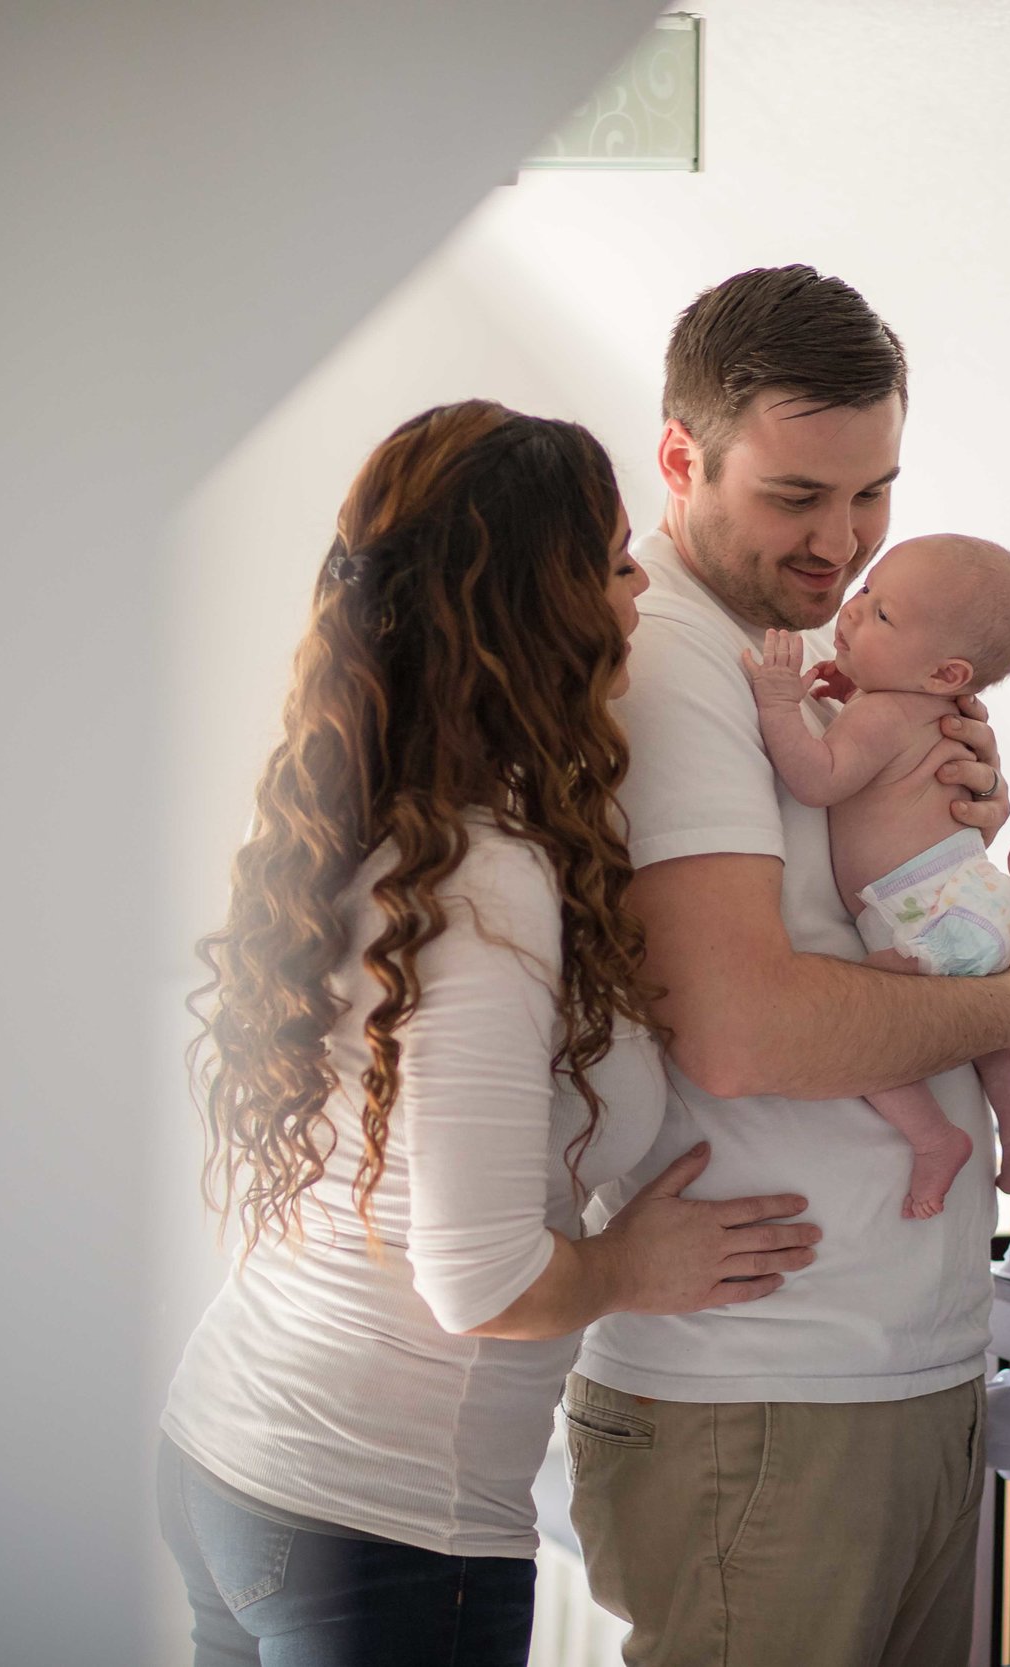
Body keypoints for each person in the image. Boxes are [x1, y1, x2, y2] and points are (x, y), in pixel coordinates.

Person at [158, 400, 825, 1667]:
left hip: (237, 1453)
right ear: (541, 604)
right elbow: (480, 1282)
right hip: (372, 1527)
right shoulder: (482, 885)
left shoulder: (373, 814)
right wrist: (633, 1264)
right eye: (616, 558)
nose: (641, 587)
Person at [565, 269, 1010, 1666]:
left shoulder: (794, 644)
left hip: (885, 1361)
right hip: (772, 1395)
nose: (841, 543)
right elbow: (737, 1028)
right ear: (683, 457)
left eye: (873, 494)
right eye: (798, 497)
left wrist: (941, 813)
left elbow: (842, 903)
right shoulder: (675, 656)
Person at [742, 533, 1010, 1219]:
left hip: (925, 911)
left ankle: (934, 1138)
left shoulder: (881, 714)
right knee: (993, 1032)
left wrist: (780, 704)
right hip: (976, 896)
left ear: (945, 673)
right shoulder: (926, 710)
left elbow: (817, 778)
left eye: (882, 616)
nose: (852, 612)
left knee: (864, 1033)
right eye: (867, 590)